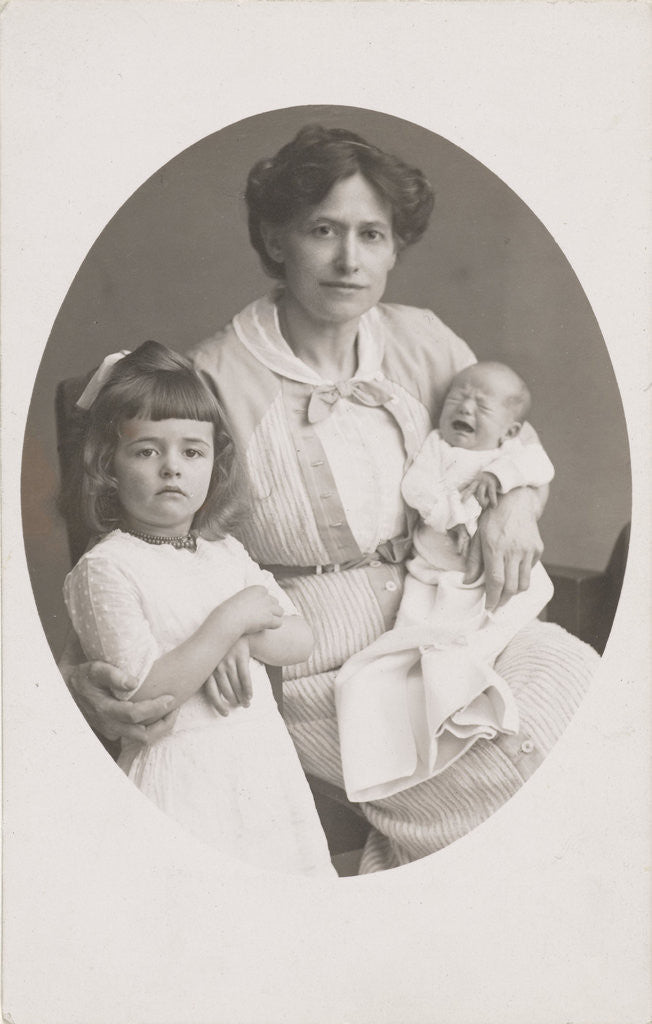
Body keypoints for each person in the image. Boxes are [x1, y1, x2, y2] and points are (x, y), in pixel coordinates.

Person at [63, 124, 600, 873]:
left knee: (591, 711)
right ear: (277, 239)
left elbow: (510, 441)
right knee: (503, 772)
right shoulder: (214, 376)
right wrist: (206, 637)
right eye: (324, 231)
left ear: (393, 248)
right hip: (314, 660)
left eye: (372, 235)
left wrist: (516, 506)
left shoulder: (423, 340)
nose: (350, 259)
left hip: (452, 619)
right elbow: (156, 547)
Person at [62, 340, 335, 877]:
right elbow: (144, 694)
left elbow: (301, 638)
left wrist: (244, 639)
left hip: (260, 771)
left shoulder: (226, 554)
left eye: (192, 451)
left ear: (216, 463)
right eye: (145, 451)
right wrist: (229, 621)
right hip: (180, 779)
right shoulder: (107, 567)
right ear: (108, 467)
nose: (171, 468)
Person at [334, 361, 557, 802]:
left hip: (484, 575)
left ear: (511, 430)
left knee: (504, 617)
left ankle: (475, 672)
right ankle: (445, 699)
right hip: (434, 570)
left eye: (481, 404)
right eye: (457, 396)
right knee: (418, 635)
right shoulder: (437, 446)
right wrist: (447, 513)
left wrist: (501, 478)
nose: (465, 406)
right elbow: (415, 487)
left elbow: (539, 465)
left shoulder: (507, 454)